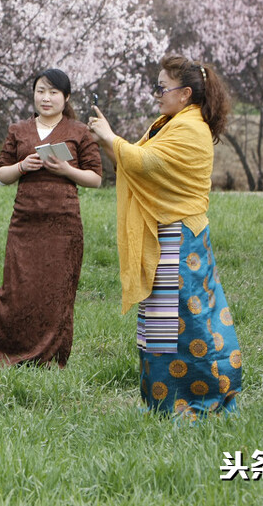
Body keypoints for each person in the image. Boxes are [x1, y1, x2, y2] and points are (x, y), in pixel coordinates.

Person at [87, 55, 241, 418]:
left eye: (162, 87)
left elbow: (147, 164)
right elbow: (136, 161)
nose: (157, 94)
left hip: (181, 237)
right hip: (166, 233)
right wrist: (108, 141)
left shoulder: (190, 128)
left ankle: (201, 401)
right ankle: (163, 402)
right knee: (159, 323)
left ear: (185, 93)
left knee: (187, 323)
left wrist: (110, 137)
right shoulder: (170, 123)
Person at [0, 68, 103, 367]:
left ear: (66, 97)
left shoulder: (78, 131)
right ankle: (6, 353)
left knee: (56, 290)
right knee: (16, 289)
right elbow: (0, 175)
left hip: (63, 225)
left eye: (53, 92)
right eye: (40, 91)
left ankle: (49, 357)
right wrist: (22, 166)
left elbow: (96, 178)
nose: (46, 98)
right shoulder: (18, 130)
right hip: (25, 222)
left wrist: (67, 171)